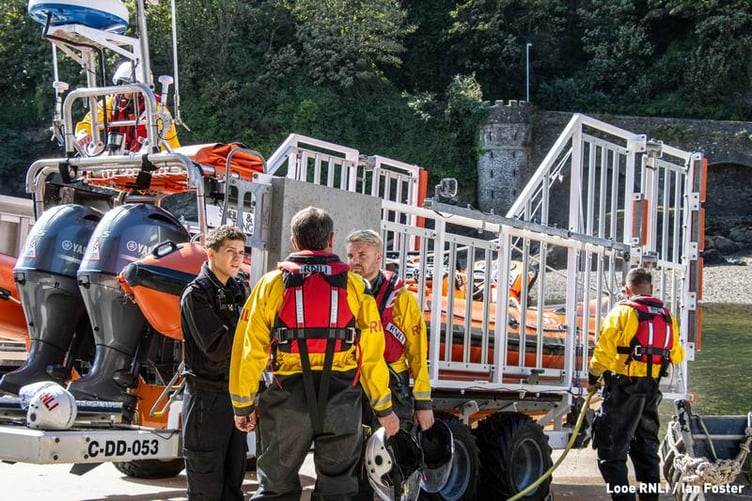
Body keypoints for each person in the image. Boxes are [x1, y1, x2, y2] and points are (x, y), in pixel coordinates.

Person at [230, 206, 400, 500]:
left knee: (275, 486)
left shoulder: (271, 284)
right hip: (341, 400)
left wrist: (242, 405)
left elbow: (249, 349)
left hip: (286, 399)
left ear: (294, 242)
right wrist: (384, 408)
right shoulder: (356, 286)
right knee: (337, 488)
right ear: (332, 240)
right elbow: (372, 354)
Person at [588, 267, 685, 501]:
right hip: (651, 388)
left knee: (611, 450)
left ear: (626, 290)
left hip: (623, 387)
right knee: (646, 447)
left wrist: (593, 376)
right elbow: (677, 355)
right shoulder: (666, 316)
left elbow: (604, 349)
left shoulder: (622, 312)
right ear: (651, 288)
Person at [180, 225, 249, 501]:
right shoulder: (197, 294)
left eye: (241, 253)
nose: (237, 258)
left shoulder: (239, 289)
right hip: (205, 399)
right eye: (230, 252)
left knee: (234, 482)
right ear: (211, 254)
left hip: (234, 396)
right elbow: (219, 349)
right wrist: (247, 330)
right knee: (205, 487)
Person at [345, 229, 434, 432]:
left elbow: (418, 354)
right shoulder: (342, 292)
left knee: (394, 451)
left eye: (362, 255)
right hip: (351, 381)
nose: (354, 261)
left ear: (378, 258)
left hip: (392, 382)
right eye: (350, 255)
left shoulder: (403, 300)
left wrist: (423, 403)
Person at [75, 61, 180, 154]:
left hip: (148, 163)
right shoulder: (111, 102)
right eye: (123, 84)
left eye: (131, 86)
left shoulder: (155, 109)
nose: (126, 91)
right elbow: (89, 121)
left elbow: (167, 146)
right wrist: (83, 133)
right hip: (121, 163)